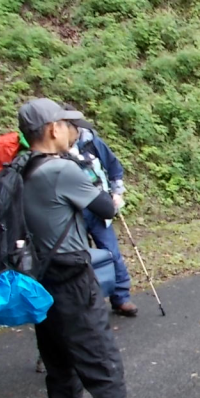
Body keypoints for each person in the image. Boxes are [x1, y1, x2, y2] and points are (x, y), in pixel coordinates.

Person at [18, 98, 171, 398]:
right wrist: (103, 185)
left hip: (38, 282)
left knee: (60, 368)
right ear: (53, 129)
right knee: (103, 364)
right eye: (68, 125)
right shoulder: (60, 171)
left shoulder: (19, 168)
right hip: (72, 281)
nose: (74, 131)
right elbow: (106, 208)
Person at [65, 108, 138, 317]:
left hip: (99, 206)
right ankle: (89, 302)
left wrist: (117, 193)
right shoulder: (55, 152)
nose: (75, 130)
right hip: (72, 211)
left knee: (111, 252)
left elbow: (114, 168)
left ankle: (121, 297)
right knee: (80, 258)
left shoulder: (92, 142)